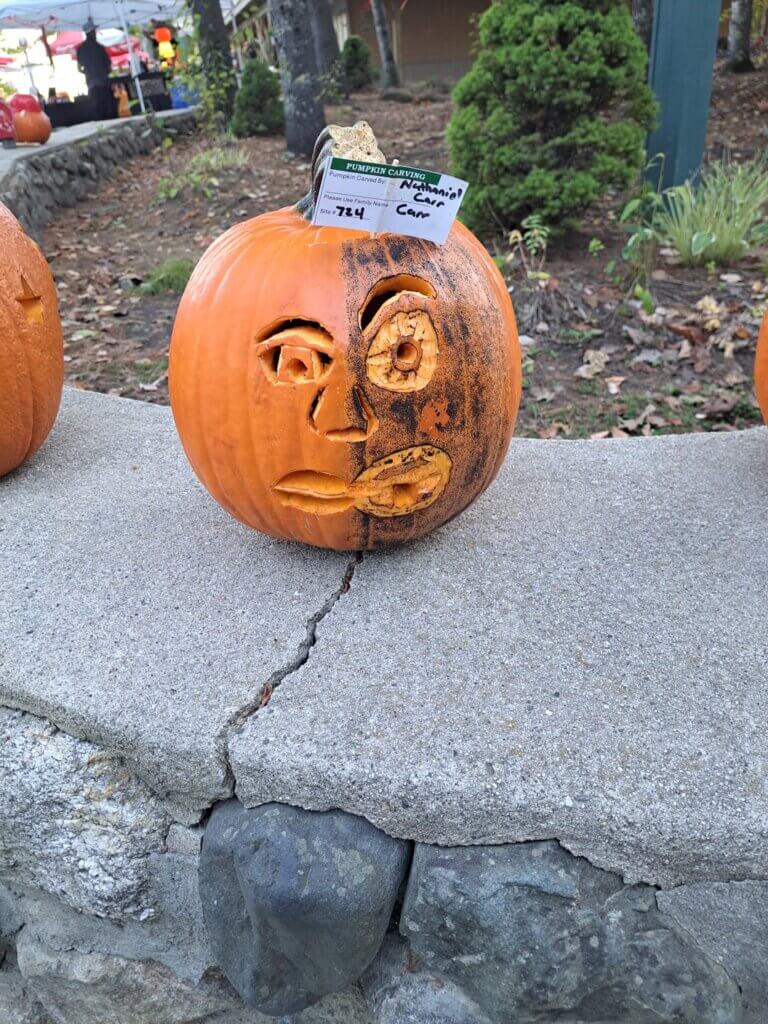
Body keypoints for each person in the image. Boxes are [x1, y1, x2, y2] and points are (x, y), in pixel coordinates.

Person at [76, 19, 116, 121]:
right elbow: (109, 67)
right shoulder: (100, 48)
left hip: (91, 83)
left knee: (97, 111)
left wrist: (88, 73)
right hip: (103, 82)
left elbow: (79, 68)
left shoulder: (80, 49)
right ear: (92, 32)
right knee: (109, 110)